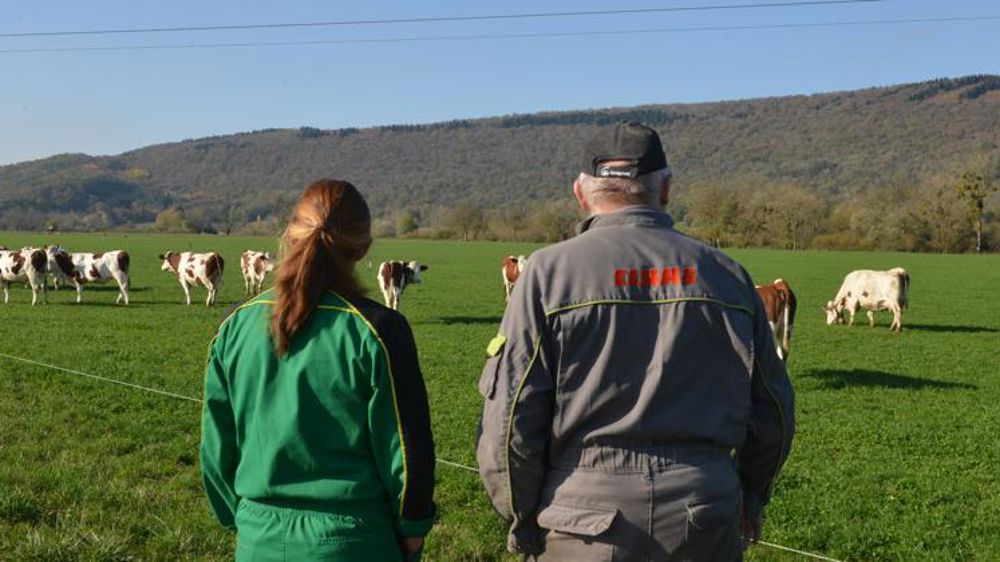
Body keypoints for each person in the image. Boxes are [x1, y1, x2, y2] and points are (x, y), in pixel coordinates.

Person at [476, 122, 794, 561]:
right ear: (665, 189)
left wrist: (522, 516)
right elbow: (773, 408)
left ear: (580, 193)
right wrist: (751, 495)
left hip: (581, 521)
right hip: (705, 515)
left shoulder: (546, 275)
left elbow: (511, 417)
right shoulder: (730, 277)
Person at [201, 179, 435, 561]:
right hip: (355, 542)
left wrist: (246, 518)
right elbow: (408, 452)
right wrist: (412, 531)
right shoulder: (380, 331)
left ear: (291, 234)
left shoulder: (234, 326)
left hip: (258, 539)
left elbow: (217, 448)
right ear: (362, 249)